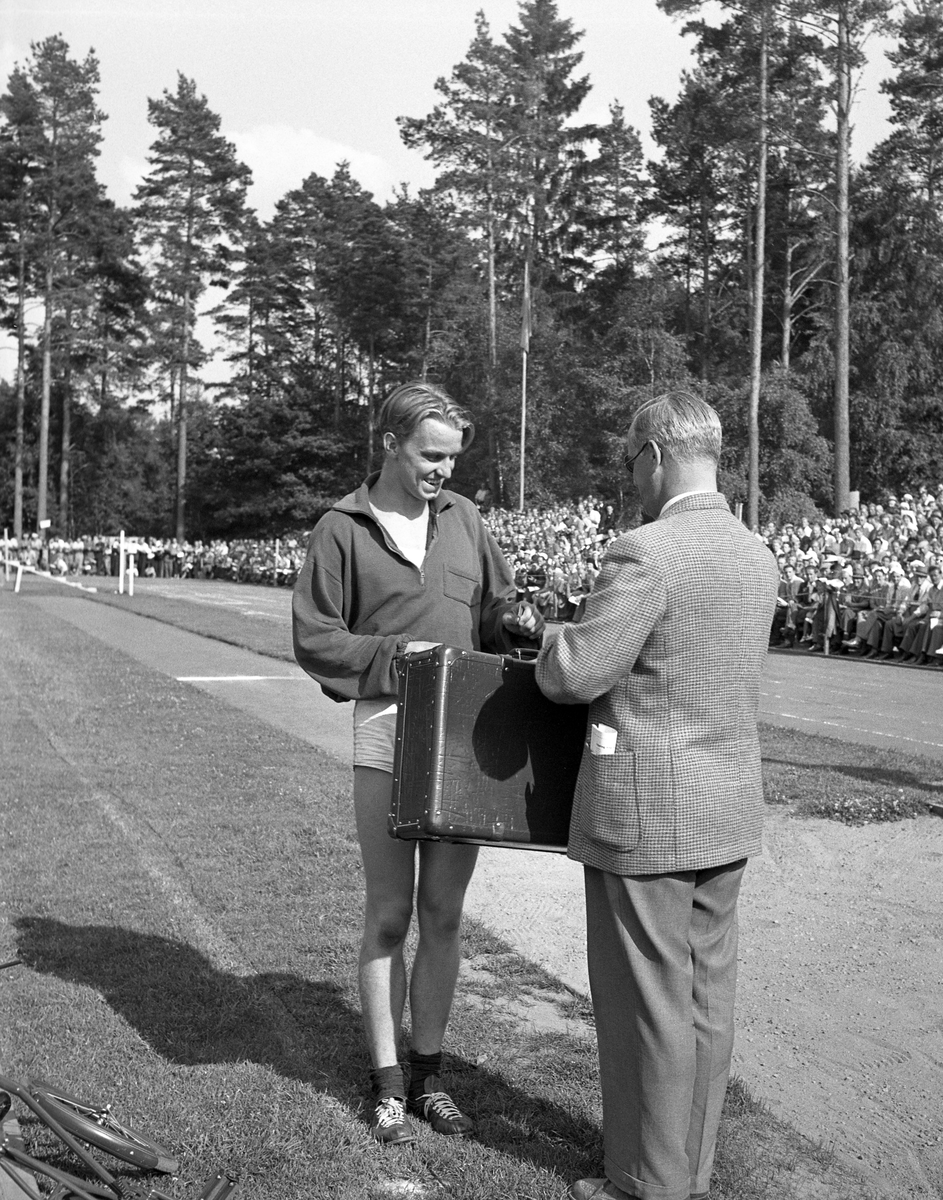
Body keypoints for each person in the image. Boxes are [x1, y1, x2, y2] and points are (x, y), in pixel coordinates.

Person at [534, 391, 778, 1200]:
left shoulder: (644, 552)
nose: (630, 477)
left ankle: (645, 1181)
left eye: (629, 461)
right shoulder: (754, 552)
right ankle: (688, 1172)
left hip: (645, 810)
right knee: (705, 999)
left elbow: (578, 673)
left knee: (646, 1002)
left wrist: (549, 635)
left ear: (655, 454)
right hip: (725, 802)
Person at [292, 381, 543, 1145]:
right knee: (389, 914)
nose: (443, 470)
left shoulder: (463, 517)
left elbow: (496, 612)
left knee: (442, 914)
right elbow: (315, 638)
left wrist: (516, 619)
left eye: (451, 457)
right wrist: (399, 657)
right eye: (430, 455)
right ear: (390, 444)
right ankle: (387, 1084)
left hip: (461, 735)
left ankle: (430, 1076)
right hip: (386, 729)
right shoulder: (340, 527)